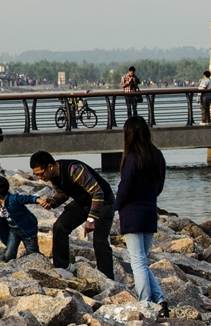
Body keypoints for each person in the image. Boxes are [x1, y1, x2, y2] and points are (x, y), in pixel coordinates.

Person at [30, 151, 116, 277]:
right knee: (60, 226)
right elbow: (63, 194)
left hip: (103, 203)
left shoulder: (74, 170)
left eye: (41, 174)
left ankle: (107, 277)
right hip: (82, 202)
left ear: (50, 167)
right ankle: (62, 266)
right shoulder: (53, 176)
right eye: (36, 175)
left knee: (99, 241)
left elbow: (98, 193)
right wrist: (52, 202)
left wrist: (91, 219)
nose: (40, 178)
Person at [113, 115, 167, 307]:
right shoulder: (157, 155)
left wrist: (115, 206)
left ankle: (145, 302)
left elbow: (125, 188)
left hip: (132, 214)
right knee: (142, 260)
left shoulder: (132, 158)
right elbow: (159, 186)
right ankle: (159, 300)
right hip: (149, 211)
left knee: (137, 261)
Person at [0, 176, 40, 262]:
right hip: (13, 231)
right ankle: (8, 267)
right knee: (9, 252)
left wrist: (39, 200)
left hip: (28, 231)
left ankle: (39, 265)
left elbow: (27, 198)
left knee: (33, 253)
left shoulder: (14, 199)